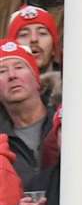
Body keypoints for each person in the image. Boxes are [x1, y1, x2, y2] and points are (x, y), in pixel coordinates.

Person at [0, 38, 55, 190]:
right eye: (2, 71)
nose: (12, 75)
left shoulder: (64, 123)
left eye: (19, 67)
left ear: (37, 79)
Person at [9, 4, 60, 106]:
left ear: (54, 48)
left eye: (42, 33)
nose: (34, 39)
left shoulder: (72, 86)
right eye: (24, 34)